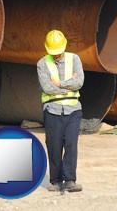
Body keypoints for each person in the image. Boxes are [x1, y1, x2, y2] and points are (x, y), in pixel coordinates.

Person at [37, 29, 84, 193]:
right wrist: (68, 84)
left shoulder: (74, 59)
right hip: (52, 110)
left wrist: (60, 84)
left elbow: (79, 82)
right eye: (54, 53)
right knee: (54, 145)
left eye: (59, 52)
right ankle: (56, 181)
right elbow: (47, 87)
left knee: (71, 144)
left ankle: (70, 180)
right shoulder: (42, 63)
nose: (57, 55)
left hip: (73, 110)